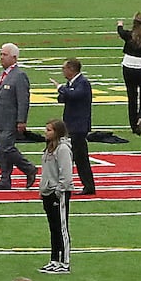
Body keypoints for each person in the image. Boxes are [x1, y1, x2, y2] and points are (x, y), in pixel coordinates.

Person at [0, 43, 36, 190]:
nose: (1, 57)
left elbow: (23, 100)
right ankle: (5, 179)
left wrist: (21, 120)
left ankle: (29, 168)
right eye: (1, 54)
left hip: (10, 120)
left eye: (4, 55)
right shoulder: (2, 75)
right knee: (1, 151)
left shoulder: (19, 76)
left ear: (14, 57)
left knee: (7, 148)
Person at [38, 119, 74, 274]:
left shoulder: (63, 149)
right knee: (53, 228)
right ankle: (54, 259)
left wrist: (59, 191)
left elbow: (66, 174)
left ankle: (65, 262)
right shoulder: (49, 148)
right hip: (48, 192)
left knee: (62, 227)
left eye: (49, 130)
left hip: (58, 194)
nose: (46, 132)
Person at [54, 59, 96, 196]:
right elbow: (63, 99)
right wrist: (63, 92)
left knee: (79, 157)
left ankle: (86, 185)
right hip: (71, 125)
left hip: (79, 126)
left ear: (71, 69)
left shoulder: (82, 83)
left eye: (64, 68)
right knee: (75, 157)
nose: (63, 71)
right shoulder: (72, 83)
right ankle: (82, 185)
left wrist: (61, 88)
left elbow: (74, 95)